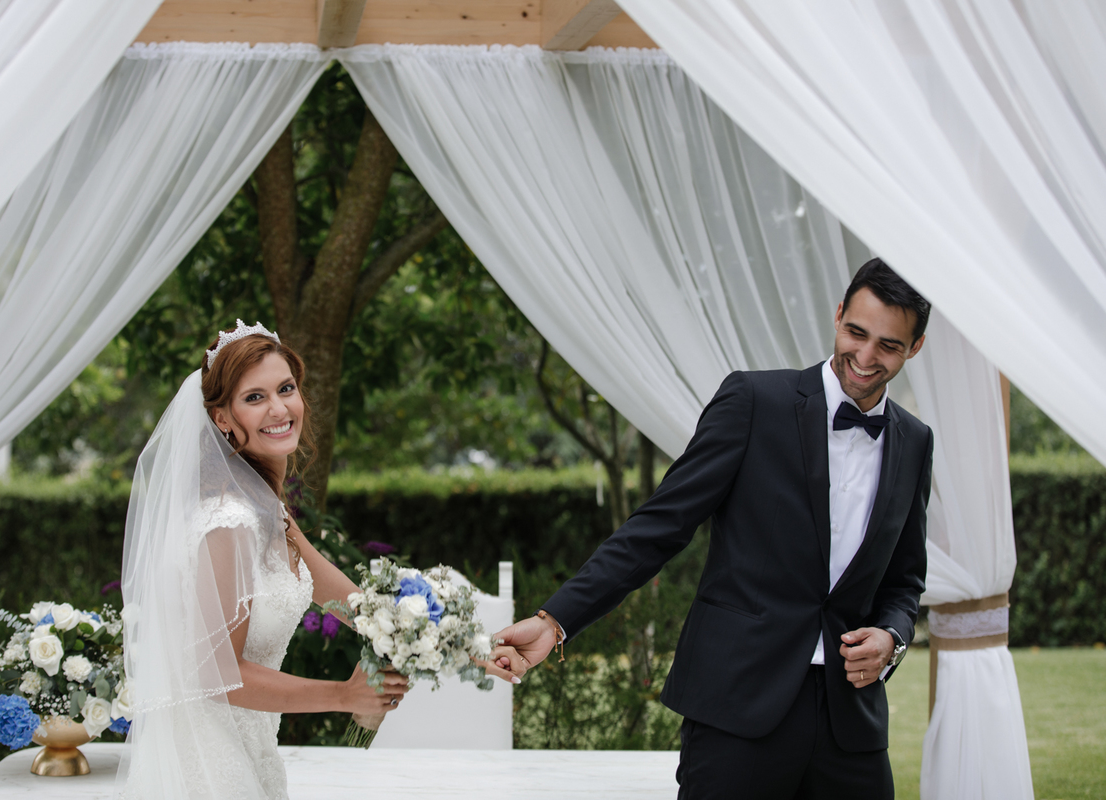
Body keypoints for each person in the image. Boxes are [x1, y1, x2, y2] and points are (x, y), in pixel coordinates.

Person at [494, 260, 933, 798]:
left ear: (914, 347)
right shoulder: (754, 402)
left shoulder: (915, 441)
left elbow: (904, 580)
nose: (864, 358)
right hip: (736, 705)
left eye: (888, 346)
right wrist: (556, 620)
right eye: (856, 332)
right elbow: (659, 526)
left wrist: (892, 638)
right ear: (838, 314)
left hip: (851, 725)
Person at [117, 321, 408, 799]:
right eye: (255, 397)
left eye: (285, 388)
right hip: (209, 769)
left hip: (252, 751)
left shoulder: (264, 506)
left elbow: (335, 592)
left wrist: (446, 637)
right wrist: (343, 695)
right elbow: (215, 674)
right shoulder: (228, 521)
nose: (279, 409)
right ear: (222, 418)